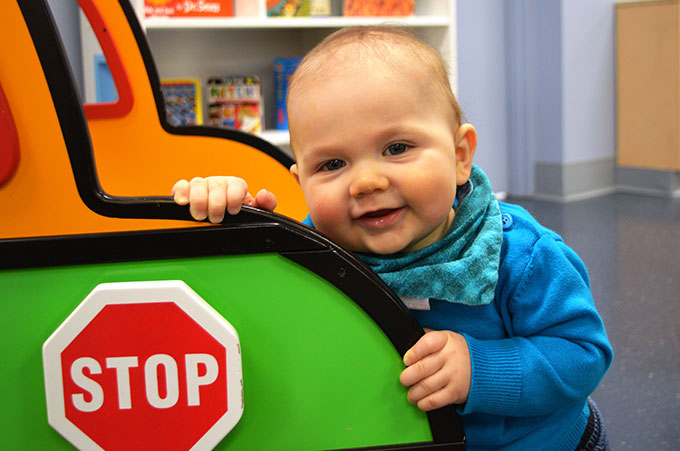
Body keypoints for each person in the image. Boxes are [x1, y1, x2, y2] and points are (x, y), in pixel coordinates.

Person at [172, 26, 613, 450]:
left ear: (460, 157)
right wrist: (234, 221)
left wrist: (480, 369)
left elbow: (583, 354)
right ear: (300, 182)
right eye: (331, 165)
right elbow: (255, 324)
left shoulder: (520, 254)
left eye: (396, 148)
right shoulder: (311, 255)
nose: (366, 181)